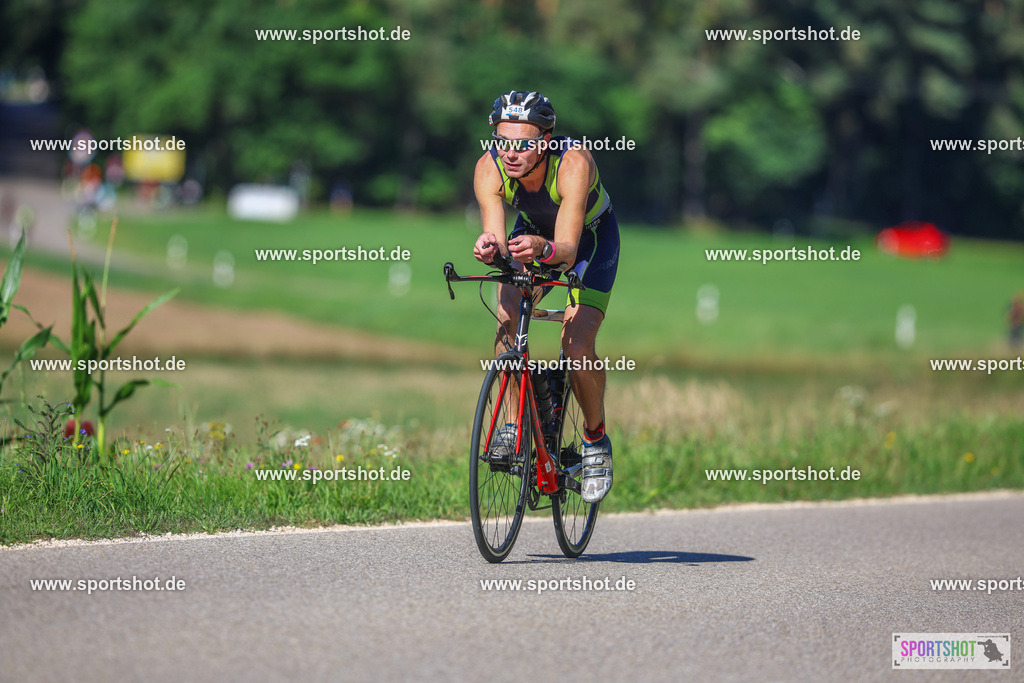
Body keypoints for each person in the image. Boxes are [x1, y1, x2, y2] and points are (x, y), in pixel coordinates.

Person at [472, 90, 620, 503]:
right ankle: (514, 425)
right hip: (534, 232)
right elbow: (498, 238)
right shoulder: (490, 168)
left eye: (523, 143)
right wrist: (490, 247)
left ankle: (594, 440)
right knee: (507, 313)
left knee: (576, 343)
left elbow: (567, 250)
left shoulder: (573, 162)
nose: (511, 153)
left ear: (547, 139)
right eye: (503, 140)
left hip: (588, 241)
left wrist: (543, 249)